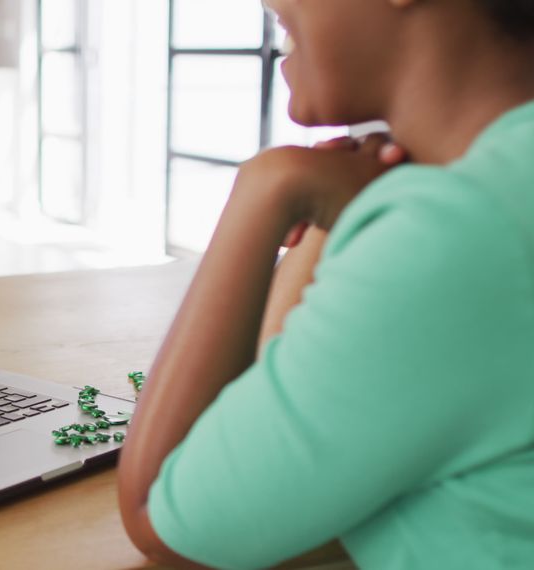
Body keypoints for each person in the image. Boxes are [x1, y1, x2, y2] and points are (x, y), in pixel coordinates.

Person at [117, 0, 534, 567]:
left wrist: (269, 186)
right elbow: (286, 479)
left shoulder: (458, 226)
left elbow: (166, 522)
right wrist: (324, 231)